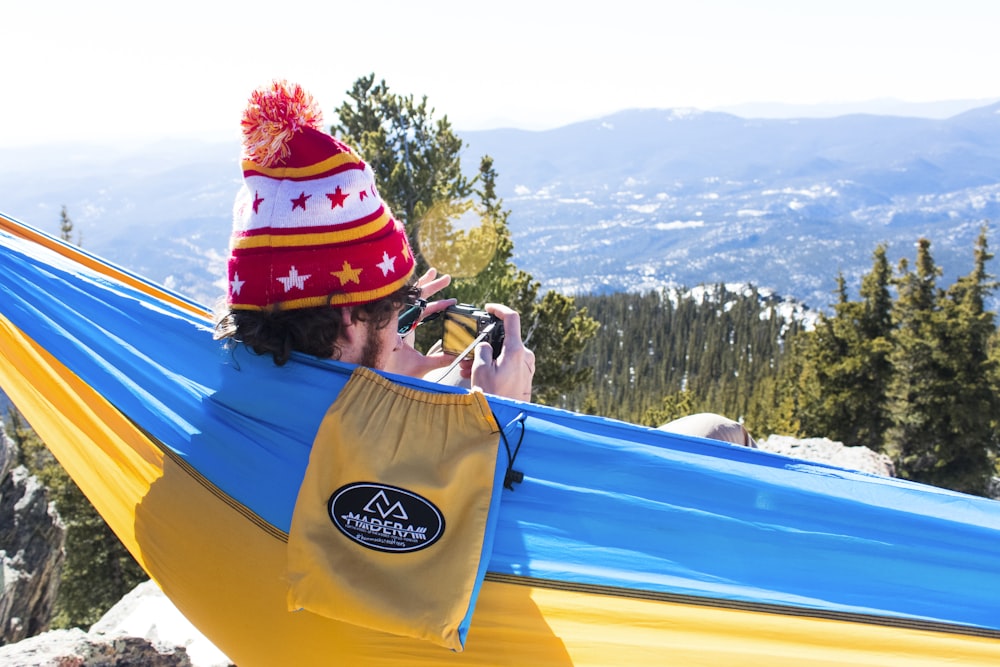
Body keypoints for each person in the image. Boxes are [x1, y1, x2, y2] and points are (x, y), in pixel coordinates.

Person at [213, 80, 534, 401]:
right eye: (395, 317)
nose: (398, 336)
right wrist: (497, 407)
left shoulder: (226, 383)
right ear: (350, 322)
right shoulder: (357, 447)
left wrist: (378, 359)